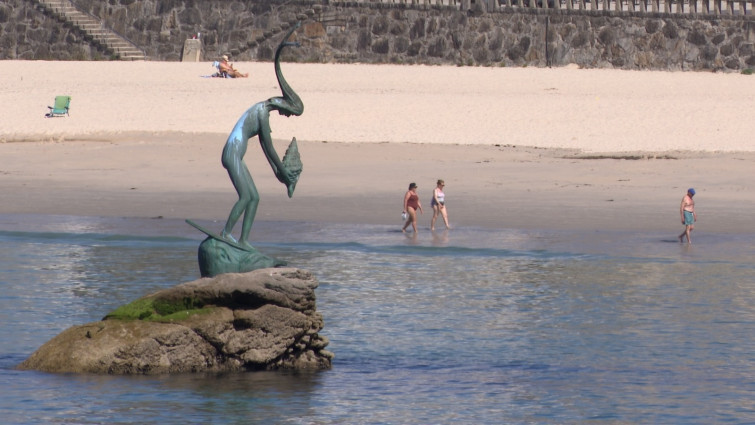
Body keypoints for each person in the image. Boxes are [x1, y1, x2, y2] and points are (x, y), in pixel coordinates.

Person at [221, 24, 302, 249]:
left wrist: (282, 176)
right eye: (288, 112)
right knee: (246, 197)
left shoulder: (262, 111)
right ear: (284, 105)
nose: (286, 116)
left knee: (254, 197)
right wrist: (284, 174)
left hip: (236, 154)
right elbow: (270, 150)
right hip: (232, 154)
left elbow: (268, 154)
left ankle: (244, 240)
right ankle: (226, 233)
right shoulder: (262, 114)